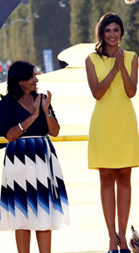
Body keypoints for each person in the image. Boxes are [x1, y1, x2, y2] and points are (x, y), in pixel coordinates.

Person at [0, 61, 69, 253]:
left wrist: (46, 111)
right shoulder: (5, 104)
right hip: (18, 159)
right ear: (20, 81)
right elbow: (10, 135)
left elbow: (54, 132)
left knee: (44, 212)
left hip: (42, 158)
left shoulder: (42, 98)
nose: (36, 79)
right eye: (31, 76)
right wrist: (32, 116)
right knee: (21, 213)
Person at [86, 13, 139, 253]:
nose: (112, 35)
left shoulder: (132, 57)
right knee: (106, 178)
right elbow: (97, 92)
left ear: (121, 32)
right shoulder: (91, 59)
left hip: (124, 120)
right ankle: (111, 238)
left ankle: (124, 235)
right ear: (101, 33)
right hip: (103, 122)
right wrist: (114, 68)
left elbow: (131, 91)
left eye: (116, 30)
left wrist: (122, 66)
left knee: (125, 178)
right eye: (107, 30)